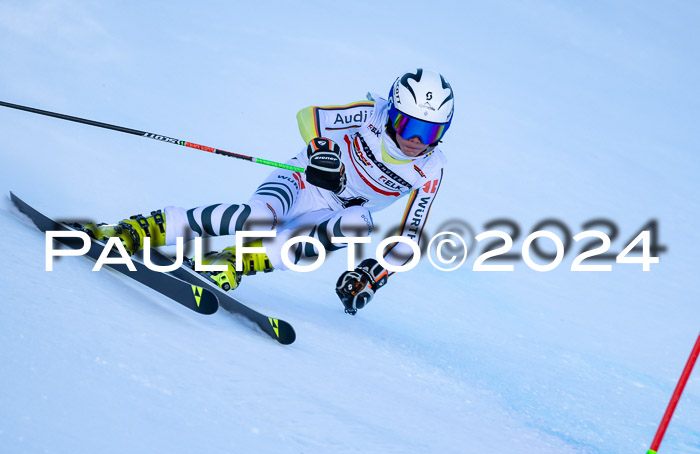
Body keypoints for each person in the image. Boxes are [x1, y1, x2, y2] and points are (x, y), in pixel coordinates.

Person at [87, 68, 454, 314]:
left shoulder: (430, 169)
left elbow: (410, 234)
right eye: (409, 125)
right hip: (301, 183)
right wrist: (321, 150)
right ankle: (138, 230)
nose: (415, 141)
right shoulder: (370, 114)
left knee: (360, 223)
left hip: (330, 213)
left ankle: (230, 263)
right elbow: (308, 115)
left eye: (431, 133)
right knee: (257, 218)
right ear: (392, 112)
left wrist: (378, 271)